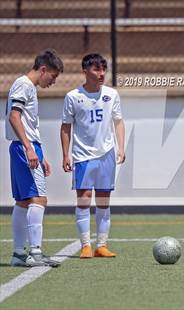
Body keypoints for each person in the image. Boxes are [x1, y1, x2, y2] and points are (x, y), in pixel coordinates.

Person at [60, 53, 125, 259]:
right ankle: (86, 245)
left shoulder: (112, 94)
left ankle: (102, 245)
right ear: (85, 71)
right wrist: (65, 155)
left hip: (106, 154)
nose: (101, 74)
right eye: (97, 69)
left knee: (104, 201)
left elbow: (118, 122)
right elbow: (65, 127)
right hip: (82, 156)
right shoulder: (73, 96)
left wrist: (121, 148)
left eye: (103, 69)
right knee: (84, 200)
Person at [6, 49, 64, 267]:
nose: (53, 81)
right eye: (53, 76)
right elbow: (14, 116)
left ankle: (19, 254)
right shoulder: (24, 85)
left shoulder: (24, 86)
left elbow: (26, 122)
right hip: (24, 148)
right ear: (43, 69)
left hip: (24, 147)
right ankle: (35, 253)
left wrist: (40, 154)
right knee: (39, 199)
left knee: (22, 201)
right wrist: (30, 149)